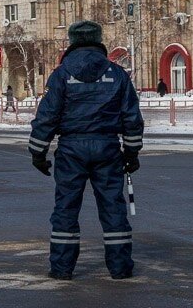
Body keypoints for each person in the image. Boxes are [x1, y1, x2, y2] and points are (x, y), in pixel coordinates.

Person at [29, 20, 144, 281]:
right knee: (113, 208)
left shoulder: (61, 75)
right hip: (107, 147)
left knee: (66, 209)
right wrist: (132, 152)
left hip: (71, 149)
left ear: (72, 42)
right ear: (98, 40)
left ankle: (61, 268)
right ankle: (120, 267)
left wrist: (38, 152)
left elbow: (47, 116)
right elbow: (132, 117)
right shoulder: (117, 74)